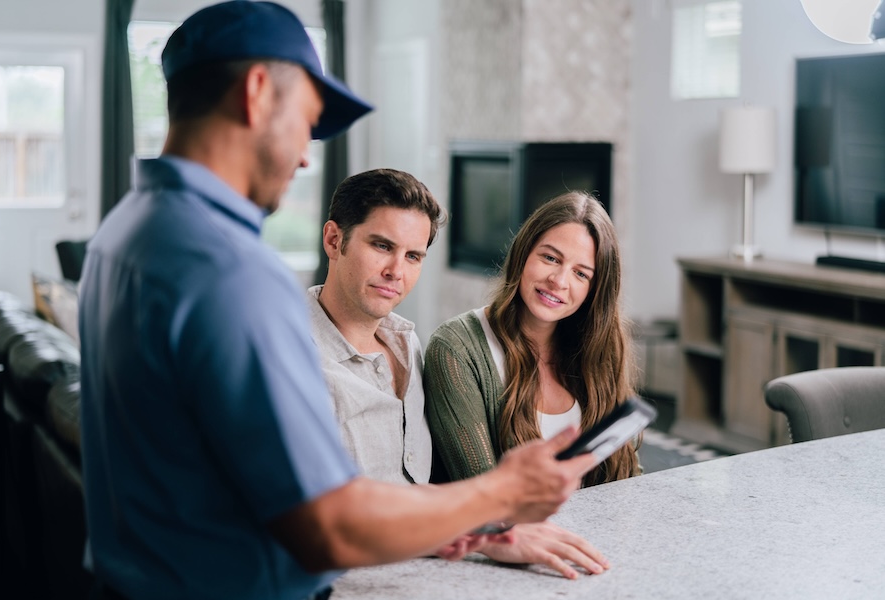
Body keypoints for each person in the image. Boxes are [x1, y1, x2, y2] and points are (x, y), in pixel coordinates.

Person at [77, 3, 598, 599]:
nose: (304, 156)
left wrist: (468, 523)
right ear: (255, 92)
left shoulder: (125, 232)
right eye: (305, 123)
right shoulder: (228, 269)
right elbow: (327, 522)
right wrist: (502, 494)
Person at [308, 169, 611, 579]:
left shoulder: (407, 346)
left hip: (425, 566)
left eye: (413, 256)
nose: (396, 271)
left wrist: (479, 531)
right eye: (382, 246)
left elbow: (412, 489)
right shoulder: (293, 360)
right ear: (333, 240)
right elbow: (321, 520)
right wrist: (486, 529)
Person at [424, 191, 641, 490]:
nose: (559, 281)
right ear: (523, 253)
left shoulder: (599, 350)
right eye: (550, 258)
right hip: (510, 536)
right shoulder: (456, 348)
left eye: (581, 273)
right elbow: (484, 497)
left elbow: (627, 476)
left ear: (595, 291)